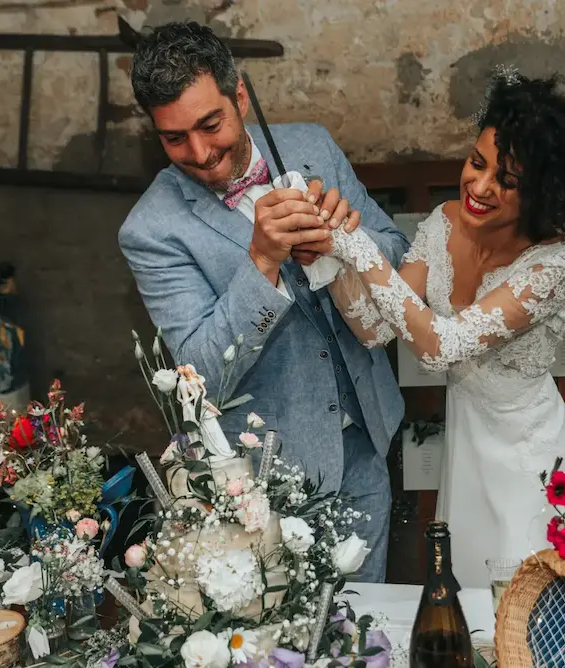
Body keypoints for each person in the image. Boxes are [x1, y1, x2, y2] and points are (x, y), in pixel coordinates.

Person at [118, 21, 408, 583]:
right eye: (174, 138)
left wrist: (351, 246)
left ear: (241, 96)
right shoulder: (149, 230)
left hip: (367, 441)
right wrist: (260, 263)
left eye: (210, 124)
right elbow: (200, 377)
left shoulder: (312, 144)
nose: (200, 153)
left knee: (369, 626)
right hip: (262, 482)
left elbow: (395, 248)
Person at [323, 71, 565, 588]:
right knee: (469, 608)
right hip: (466, 454)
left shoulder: (559, 263)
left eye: (507, 182)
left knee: (530, 609)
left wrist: (359, 248)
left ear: (544, 195)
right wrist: (332, 260)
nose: (480, 186)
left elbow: (440, 347)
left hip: (531, 462)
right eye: (477, 162)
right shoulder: (444, 222)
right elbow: (374, 328)